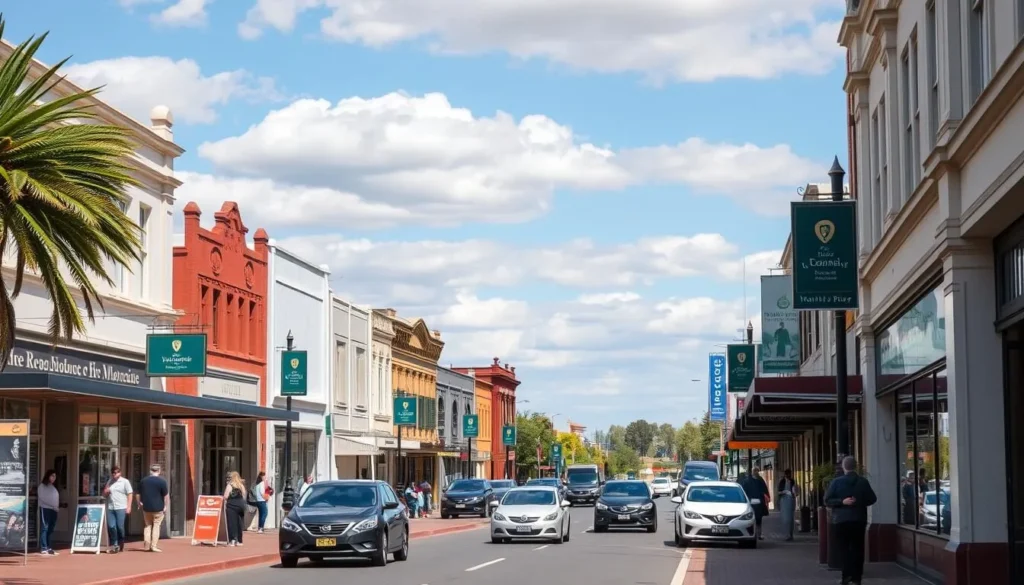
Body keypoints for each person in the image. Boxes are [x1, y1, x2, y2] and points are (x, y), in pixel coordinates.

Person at [824, 456, 877, 585]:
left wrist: (841, 502)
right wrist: (859, 502)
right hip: (859, 519)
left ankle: (846, 576)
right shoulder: (863, 482)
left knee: (844, 549)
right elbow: (872, 499)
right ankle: (857, 578)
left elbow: (827, 500)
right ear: (855, 466)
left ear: (843, 467)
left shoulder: (836, 482)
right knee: (858, 549)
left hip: (841, 521)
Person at [136, 464, 168, 552]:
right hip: (158, 507)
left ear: (150, 471)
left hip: (146, 507)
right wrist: (165, 506)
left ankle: (146, 545)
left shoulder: (143, 481)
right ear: (159, 471)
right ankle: (154, 546)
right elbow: (166, 496)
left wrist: (139, 503)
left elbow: (138, 494)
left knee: (147, 526)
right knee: (156, 526)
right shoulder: (162, 482)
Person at [103, 466, 133, 553]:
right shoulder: (110, 481)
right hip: (111, 507)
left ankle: (121, 541)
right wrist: (106, 491)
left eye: (116, 472)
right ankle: (115, 544)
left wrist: (129, 506)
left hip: (121, 507)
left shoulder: (125, 482)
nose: (114, 474)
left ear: (120, 473)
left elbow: (130, 494)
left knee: (120, 527)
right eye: (113, 473)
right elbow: (104, 494)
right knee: (111, 526)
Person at [740, 467, 770, 540]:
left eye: (757, 471)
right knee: (755, 519)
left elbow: (764, 490)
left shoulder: (750, 480)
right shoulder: (756, 480)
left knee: (757, 519)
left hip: (755, 502)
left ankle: (757, 534)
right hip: (755, 502)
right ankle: (756, 534)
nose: (756, 472)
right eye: (755, 471)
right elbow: (765, 490)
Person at [38, 469, 59, 555]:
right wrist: (53, 505)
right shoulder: (42, 486)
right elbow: (43, 498)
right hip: (45, 508)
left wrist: (56, 506)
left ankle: (49, 547)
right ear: (48, 476)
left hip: (54, 510)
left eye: (55, 476)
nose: (54, 478)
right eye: (52, 476)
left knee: (51, 528)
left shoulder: (53, 487)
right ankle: (43, 547)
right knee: (45, 527)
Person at [223, 472, 247, 546]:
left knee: (232, 523)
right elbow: (244, 496)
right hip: (241, 505)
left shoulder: (230, 485)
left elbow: (225, 496)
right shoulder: (241, 485)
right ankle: (240, 541)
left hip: (232, 506)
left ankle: (233, 540)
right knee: (239, 523)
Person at [777, 468, 800, 541]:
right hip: (784, 501)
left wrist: (794, 493)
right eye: (787, 474)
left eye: (789, 474)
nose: (788, 476)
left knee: (790, 519)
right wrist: (785, 492)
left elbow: (795, 491)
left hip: (791, 501)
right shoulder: (782, 481)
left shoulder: (792, 481)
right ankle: (786, 535)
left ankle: (790, 535)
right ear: (785, 475)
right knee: (785, 519)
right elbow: (779, 492)